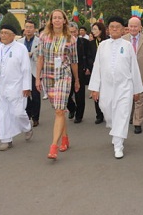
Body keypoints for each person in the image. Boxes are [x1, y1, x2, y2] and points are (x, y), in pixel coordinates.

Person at [89, 16, 143, 158]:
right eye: (111, 26)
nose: (114, 29)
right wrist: (95, 88)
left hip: (124, 87)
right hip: (106, 87)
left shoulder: (127, 46)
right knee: (107, 111)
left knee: (123, 113)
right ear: (108, 29)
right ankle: (115, 130)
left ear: (122, 29)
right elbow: (97, 67)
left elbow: (134, 68)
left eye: (117, 27)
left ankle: (118, 145)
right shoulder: (103, 46)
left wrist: (136, 90)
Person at [36, 10, 79, 160]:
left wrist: (77, 80)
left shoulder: (71, 39)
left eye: (60, 18)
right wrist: (37, 78)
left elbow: (74, 61)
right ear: (51, 20)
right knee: (59, 111)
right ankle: (65, 137)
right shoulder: (44, 37)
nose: (57, 20)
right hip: (48, 77)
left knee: (60, 111)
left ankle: (53, 146)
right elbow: (40, 58)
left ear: (64, 21)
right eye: (54, 18)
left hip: (64, 76)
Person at [0, 25, 33, 151]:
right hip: (0, 86)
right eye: (1, 33)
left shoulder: (21, 48)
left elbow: (26, 69)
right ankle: (6, 139)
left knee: (18, 112)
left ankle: (27, 127)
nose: (2, 35)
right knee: (2, 113)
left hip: (17, 86)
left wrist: (26, 87)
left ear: (13, 35)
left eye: (6, 33)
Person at [122, 17, 143, 134]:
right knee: (128, 97)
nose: (133, 28)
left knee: (139, 99)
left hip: (142, 74)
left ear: (140, 27)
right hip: (126, 75)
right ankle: (129, 117)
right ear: (128, 27)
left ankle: (137, 123)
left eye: (136, 26)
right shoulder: (122, 40)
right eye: (131, 26)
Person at [17, 20, 41, 127]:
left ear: (34, 29)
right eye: (27, 27)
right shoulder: (19, 42)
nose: (28, 29)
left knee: (35, 95)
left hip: (34, 71)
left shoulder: (39, 41)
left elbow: (41, 56)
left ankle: (36, 117)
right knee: (25, 94)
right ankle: (28, 115)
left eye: (31, 27)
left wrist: (32, 54)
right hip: (22, 72)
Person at [67, 22, 91, 124]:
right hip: (66, 72)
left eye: (74, 31)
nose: (72, 34)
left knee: (79, 94)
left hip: (80, 70)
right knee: (67, 94)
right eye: (70, 32)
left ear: (77, 31)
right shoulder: (63, 42)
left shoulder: (84, 42)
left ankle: (79, 115)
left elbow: (88, 55)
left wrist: (88, 67)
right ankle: (72, 108)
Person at [88, 22, 108, 124]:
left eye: (95, 29)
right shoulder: (91, 43)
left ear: (101, 30)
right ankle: (99, 115)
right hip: (95, 71)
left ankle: (107, 113)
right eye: (93, 30)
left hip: (107, 71)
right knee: (96, 92)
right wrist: (93, 64)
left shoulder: (108, 41)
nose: (93, 32)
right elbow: (89, 57)